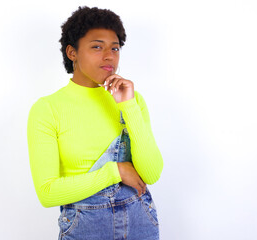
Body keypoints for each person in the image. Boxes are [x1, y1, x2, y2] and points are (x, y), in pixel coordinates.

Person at [27, 6, 163, 240]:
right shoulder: (48, 108)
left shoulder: (132, 100)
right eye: (97, 47)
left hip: (141, 227)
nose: (109, 56)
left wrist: (128, 106)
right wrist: (115, 171)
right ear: (72, 53)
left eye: (115, 48)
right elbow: (47, 193)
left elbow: (152, 173)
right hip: (85, 230)